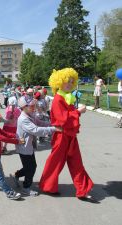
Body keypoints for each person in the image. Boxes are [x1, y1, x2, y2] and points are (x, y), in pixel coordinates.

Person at [39, 68, 98, 203]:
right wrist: (78, 111)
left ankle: (83, 190)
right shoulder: (58, 99)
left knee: (77, 163)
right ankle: (47, 186)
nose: (70, 84)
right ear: (59, 82)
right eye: (67, 81)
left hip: (71, 136)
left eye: (72, 81)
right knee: (55, 163)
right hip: (61, 136)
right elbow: (63, 119)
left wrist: (75, 110)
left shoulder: (67, 97)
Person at [11, 97, 61, 196]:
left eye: (34, 105)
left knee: (29, 166)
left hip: (28, 146)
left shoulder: (30, 114)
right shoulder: (23, 119)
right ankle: (26, 187)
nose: (34, 107)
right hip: (24, 148)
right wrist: (53, 129)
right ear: (24, 107)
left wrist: (51, 124)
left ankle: (16, 175)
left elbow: (39, 123)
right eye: (31, 106)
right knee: (31, 168)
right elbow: (36, 130)